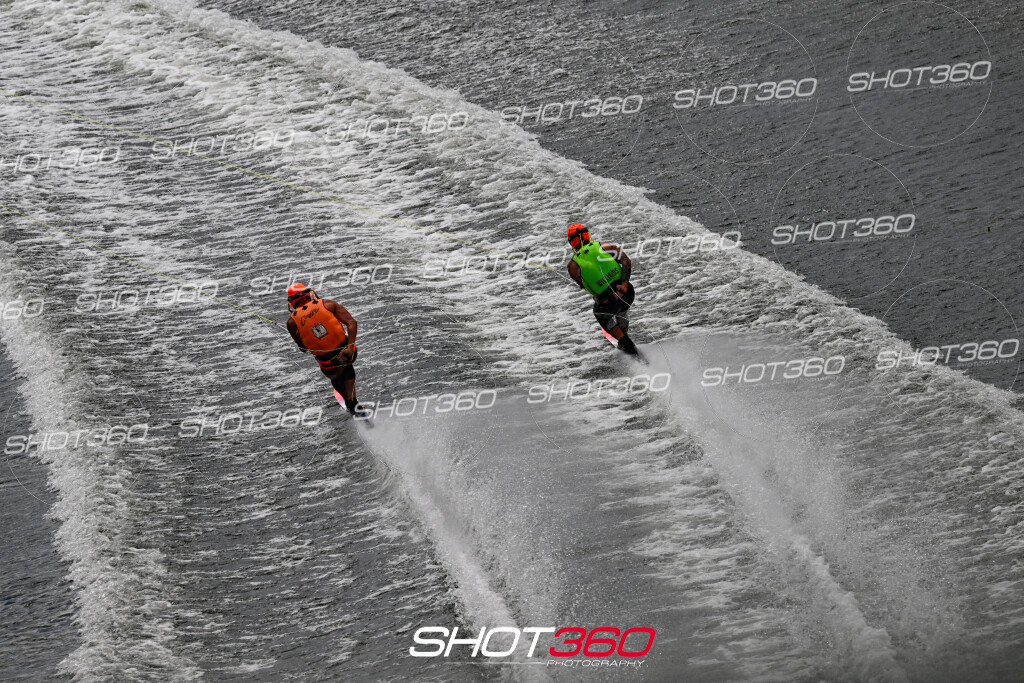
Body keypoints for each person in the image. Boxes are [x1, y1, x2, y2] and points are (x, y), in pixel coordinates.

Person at [285, 283, 365, 415]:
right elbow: (352, 323)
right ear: (309, 294)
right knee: (345, 364)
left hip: (328, 366)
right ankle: (352, 400)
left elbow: (303, 348)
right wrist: (350, 348)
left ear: (292, 303)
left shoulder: (291, 322)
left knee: (335, 377)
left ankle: (349, 401)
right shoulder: (328, 304)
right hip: (349, 354)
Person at [565, 223, 638, 355]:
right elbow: (626, 261)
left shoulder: (572, 266)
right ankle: (624, 337)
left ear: (572, 243)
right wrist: (624, 285)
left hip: (608, 303)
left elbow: (582, 284)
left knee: (600, 313)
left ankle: (627, 345)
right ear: (587, 235)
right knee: (621, 310)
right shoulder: (605, 246)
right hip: (627, 293)